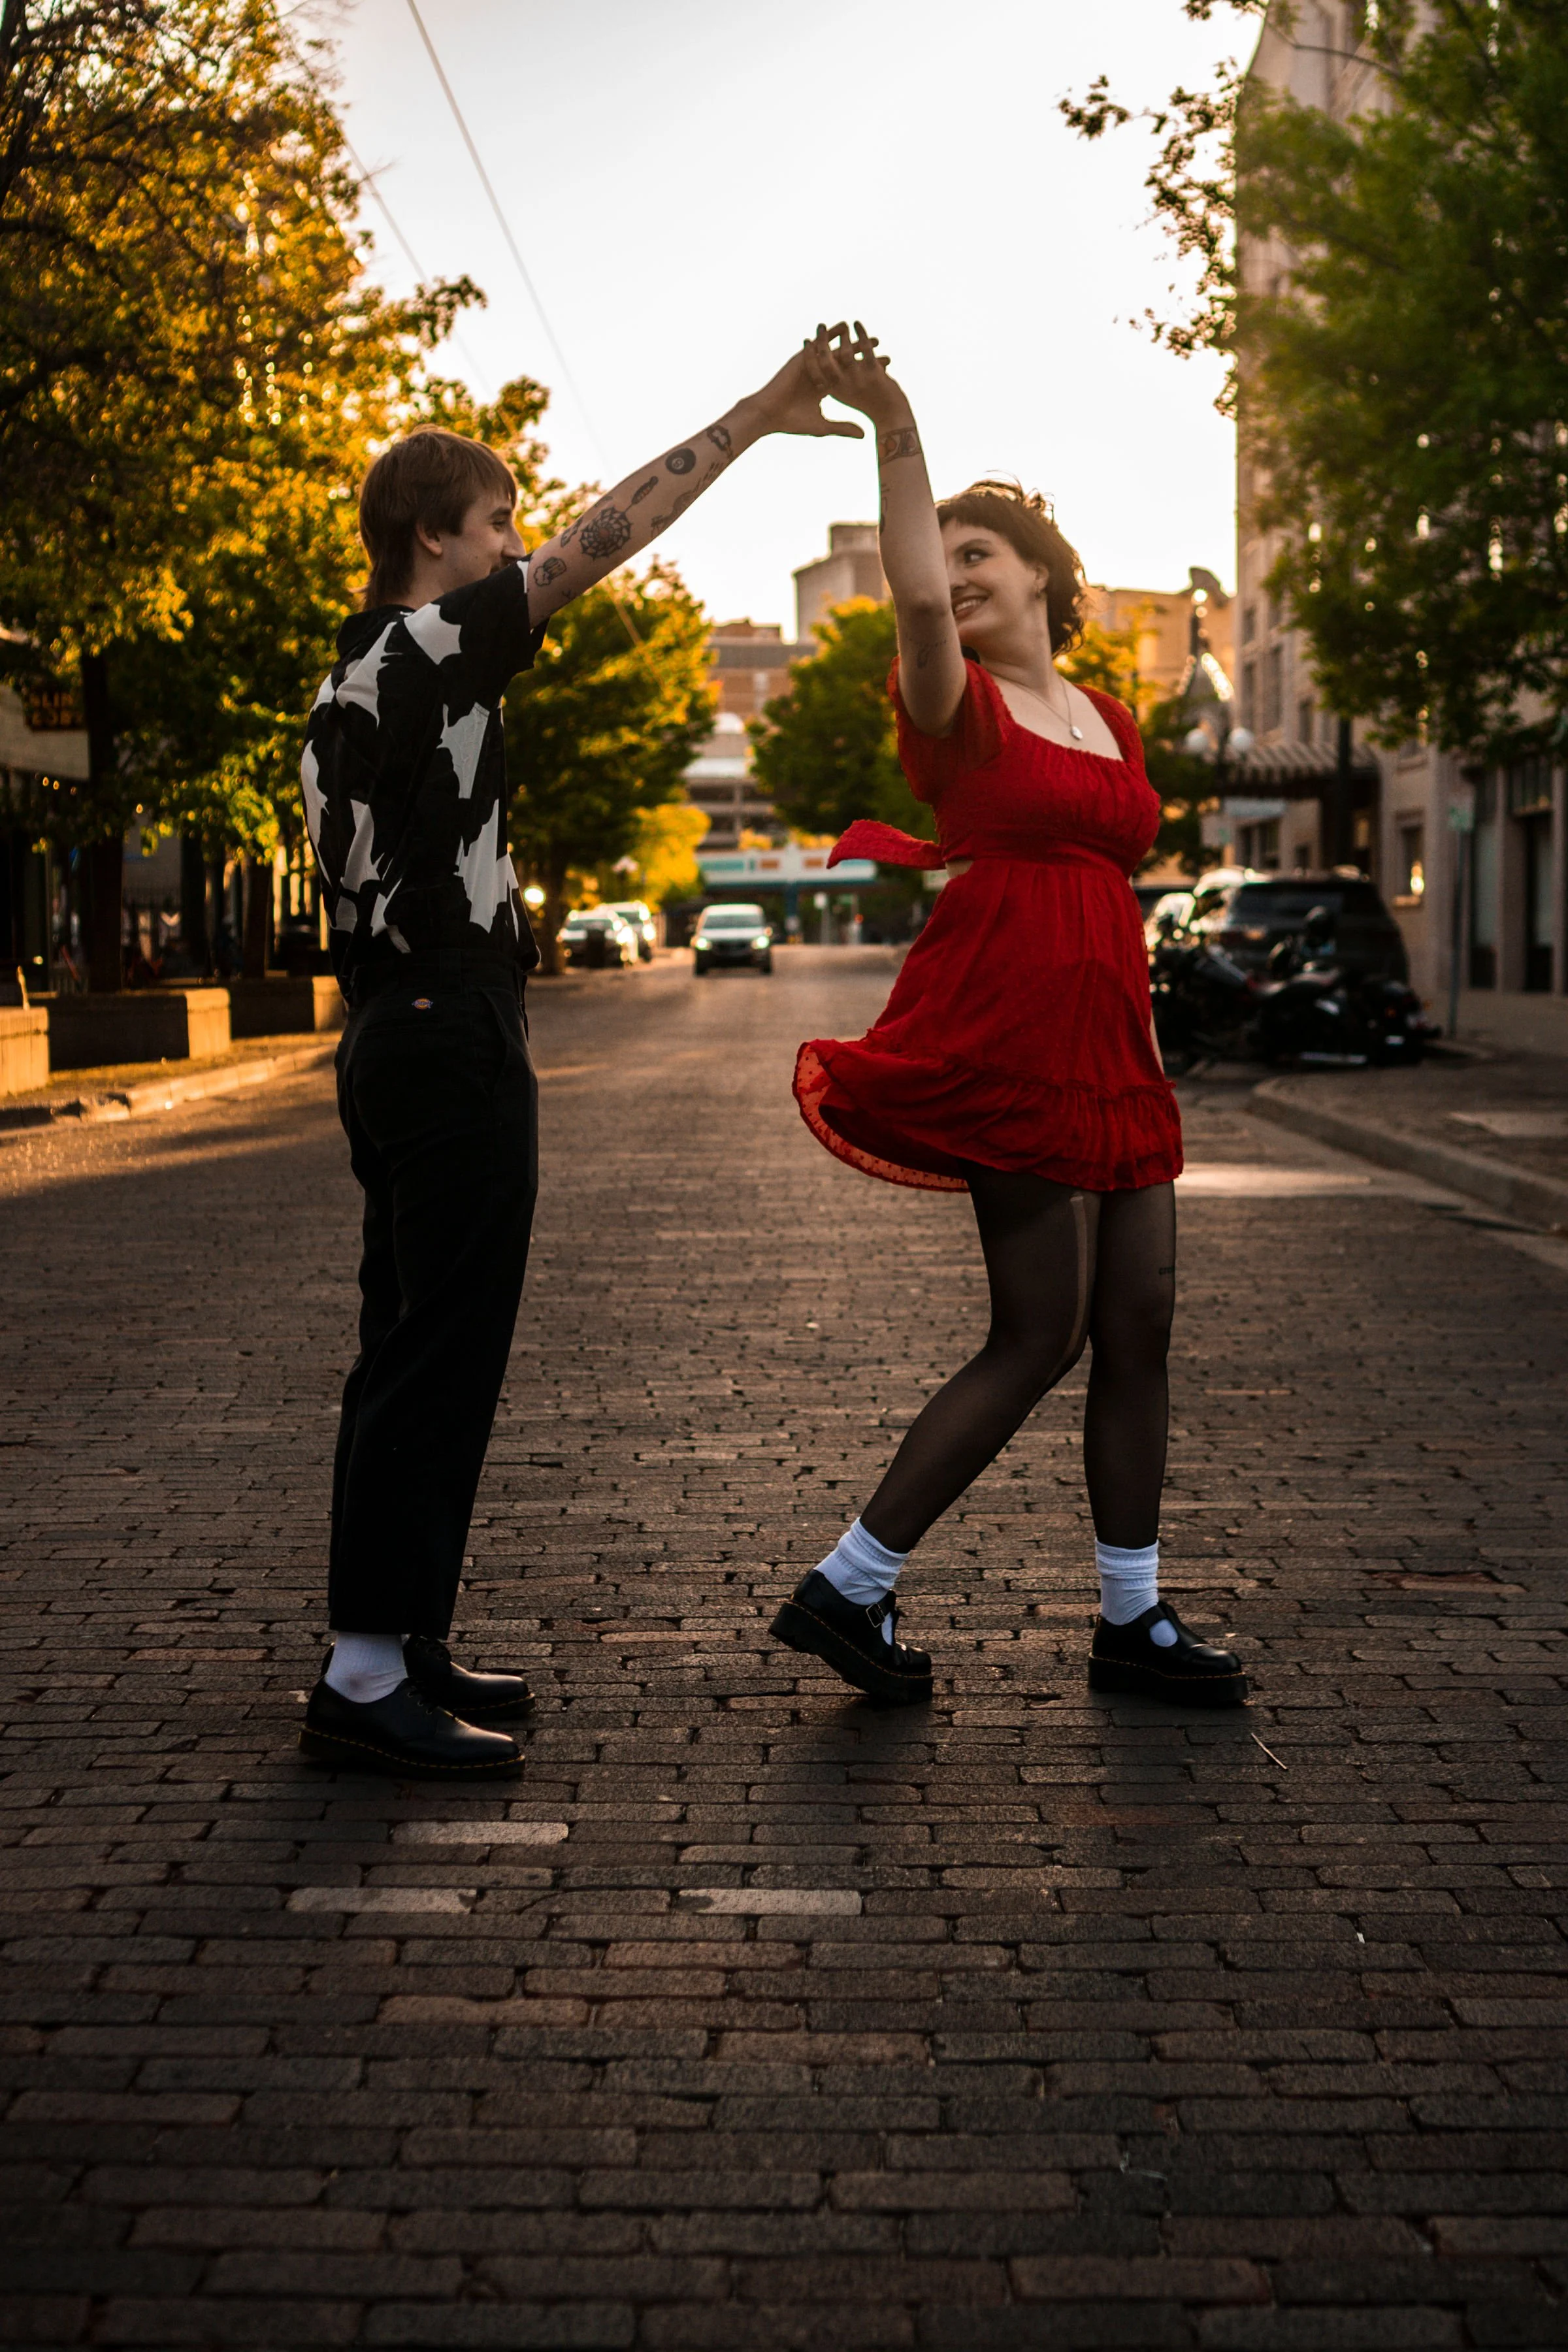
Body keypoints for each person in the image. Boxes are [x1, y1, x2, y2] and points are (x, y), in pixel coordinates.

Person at [298, 335, 866, 1780]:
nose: (513, 551)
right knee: (441, 1348)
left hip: (389, 1027)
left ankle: (396, 1642)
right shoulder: (431, 641)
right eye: (492, 526)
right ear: (434, 539)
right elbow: (611, 534)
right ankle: (366, 1680)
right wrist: (754, 418)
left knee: (406, 1338)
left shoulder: (356, 672)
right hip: (445, 1022)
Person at [774, 325, 1247, 1711]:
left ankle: (1131, 1619)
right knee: (1038, 1330)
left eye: (985, 555)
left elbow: (1116, 873)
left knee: (1143, 1318)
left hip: (1114, 1036)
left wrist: (1151, 1041)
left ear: (1046, 574)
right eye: (949, 555)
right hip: (1007, 1022)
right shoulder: (953, 702)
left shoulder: (1109, 711)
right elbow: (913, 602)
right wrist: (894, 419)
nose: (959, 575)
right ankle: (849, 1586)